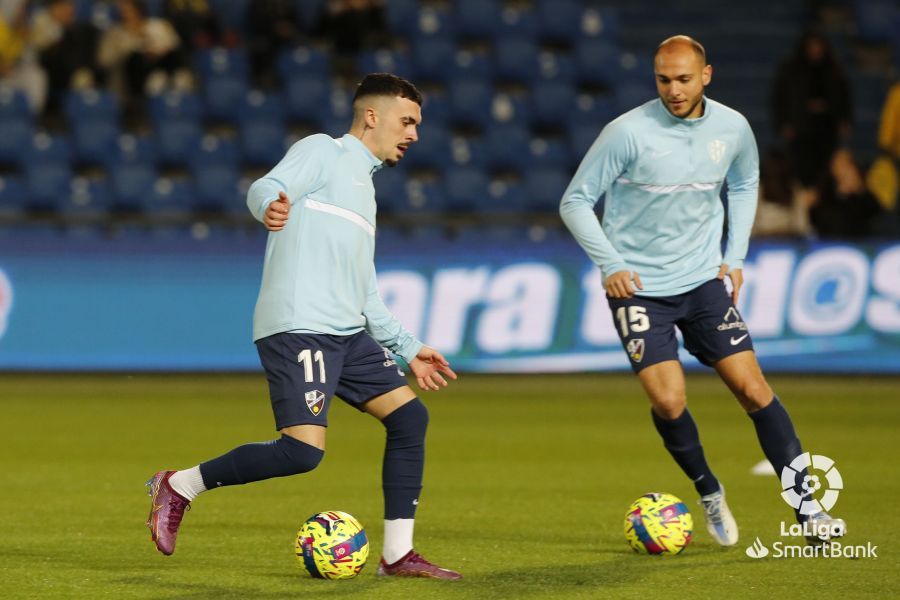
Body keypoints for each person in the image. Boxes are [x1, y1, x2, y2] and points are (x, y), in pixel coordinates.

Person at [146, 73, 462, 580]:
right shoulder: (325, 151)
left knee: (410, 419)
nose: (414, 134)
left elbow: (365, 292)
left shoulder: (366, 190)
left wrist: (409, 348)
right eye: (408, 121)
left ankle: (397, 555)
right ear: (371, 116)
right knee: (301, 452)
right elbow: (266, 186)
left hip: (345, 331)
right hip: (299, 327)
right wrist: (268, 207)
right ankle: (179, 485)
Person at [560, 35, 845, 547]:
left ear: (706, 75)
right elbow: (575, 201)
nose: (673, 90)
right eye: (664, 80)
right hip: (640, 289)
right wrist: (611, 263)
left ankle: (810, 509)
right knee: (669, 402)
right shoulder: (626, 132)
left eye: (684, 79)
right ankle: (709, 490)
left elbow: (743, 184)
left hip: (702, 282)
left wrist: (734, 259)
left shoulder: (732, 127)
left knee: (754, 389)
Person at [771, 30, 852, 187]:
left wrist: (845, 119)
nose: (815, 49)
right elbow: (780, 98)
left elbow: (844, 96)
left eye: (818, 45)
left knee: (827, 169)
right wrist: (783, 122)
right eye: (812, 45)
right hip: (801, 130)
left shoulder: (834, 69)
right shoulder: (791, 69)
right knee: (801, 170)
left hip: (827, 128)